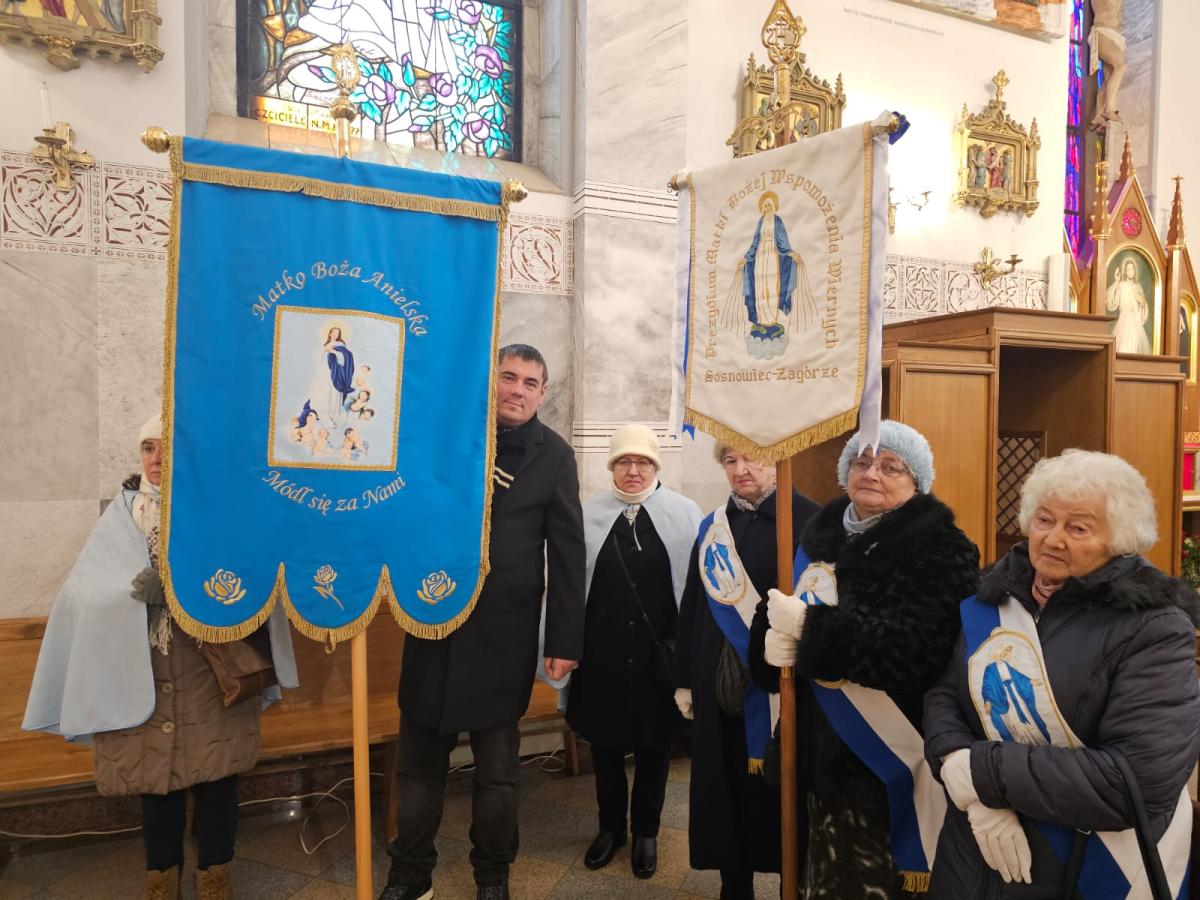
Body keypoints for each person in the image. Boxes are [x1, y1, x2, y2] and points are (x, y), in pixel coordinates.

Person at [23, 414, 299, 900]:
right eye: (148, 448)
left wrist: (176, 590)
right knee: (156, 785)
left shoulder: (216, 509)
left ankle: (216, 881)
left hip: (208, 670)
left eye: (167, 446)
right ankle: (161, 882)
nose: (157, 458)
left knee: (216, 781)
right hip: (140, 668)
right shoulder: (120, 517)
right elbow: (85, 594)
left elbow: (251, 579)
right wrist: (129, 595)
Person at [923, 450, 1199, 897]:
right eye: (1044, 520)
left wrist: (980, 772)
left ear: (1119, 539)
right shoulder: (992, 597)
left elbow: (1136, 781)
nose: (1053, 539)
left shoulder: (1154, 627)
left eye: (1078, 528)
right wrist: (954, 761)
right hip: (970, 858)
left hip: (1082, 869)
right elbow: (946, 694)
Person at [382, 344, 585, 900]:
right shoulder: (447, 440)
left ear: (542, 394)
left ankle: (492, 876)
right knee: (418, 766)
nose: (517, 389)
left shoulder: (554, 456)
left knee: (497, 772)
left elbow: (568, 553)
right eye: (508, 377)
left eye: (529, 383)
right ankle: (409, 875)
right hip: (434, 623)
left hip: (504, 636)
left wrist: (564, 639)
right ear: (490, 381)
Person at [752, 420, 980, 898]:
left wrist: (812, 630)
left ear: (917, 481)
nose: (872, 473)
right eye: (861, 461)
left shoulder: (943, 548)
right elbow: (779, 606)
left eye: (891, 466)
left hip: (883, 759)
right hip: (810, 746)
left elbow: (917, 651)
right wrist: (767, 646)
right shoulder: (817, 537)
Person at [675, 444, 820, 899]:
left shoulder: (811, 522)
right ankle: (733, 884)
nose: (741, 470)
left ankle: (790, 884)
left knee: (781, 791)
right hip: (716, 681)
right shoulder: (714, 526)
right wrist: (684, 677)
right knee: (725, 789)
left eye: (753, 458)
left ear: (779, 460)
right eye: (731, 461)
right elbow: (693, 603)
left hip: (781, 685)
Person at [565, 424, 701, 879]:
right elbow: (569, 586)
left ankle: (646, 831)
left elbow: (695, 591)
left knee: (654, 749)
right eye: (624, 461)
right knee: (604, 747)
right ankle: (610, 828)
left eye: (643, 461)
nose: (633, 470)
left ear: (655, 466)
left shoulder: (684, 514)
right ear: (612, 467)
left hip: (657, 659)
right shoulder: (588, 514)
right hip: (601, 655)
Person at [1106, 257, 1152, 354]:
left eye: (1132, 269)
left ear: (1134, 271)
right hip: (1124, 320)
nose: (1130, 272)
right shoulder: (1121, 285)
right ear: (1125, 271)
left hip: (1135, 323)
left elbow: (1143, 309)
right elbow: (1113, 302)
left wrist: (1142, 302)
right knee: (1121, 348)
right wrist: (1116, 282)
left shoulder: (1138, 287)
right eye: (1128, 269)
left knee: (1133, 349)